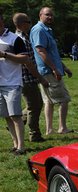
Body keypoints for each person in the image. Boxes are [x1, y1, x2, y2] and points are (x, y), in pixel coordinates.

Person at [30, 7, 73, 135]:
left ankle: (49, 129)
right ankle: (62, 127)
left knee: (48, 101)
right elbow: (41, 51)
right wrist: (55, 69)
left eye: (51, 15)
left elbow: (52, 53)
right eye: (47, 15)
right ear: (40, 15)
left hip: (48, 70)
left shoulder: (46, 30)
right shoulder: (39, 30)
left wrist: (64, 67)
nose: (50, 17)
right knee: (64, 99)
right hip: (48, 71)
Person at [13, 13, 49, 143]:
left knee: (33, 104)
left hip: (25, 78)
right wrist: (40, 78)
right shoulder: (21, 39)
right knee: (35, 106)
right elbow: (27, 63)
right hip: (26, 78)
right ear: (22, 24)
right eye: (28, 21)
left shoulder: (22, 37)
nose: (30, 24)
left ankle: (18, 122)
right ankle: (34, 134)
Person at [0, 13, 30, 154]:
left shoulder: (14, 39)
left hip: (12, 82)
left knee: (15, 115)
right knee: (7, 116)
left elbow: (24, 58)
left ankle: (21, 147)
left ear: (2, 22)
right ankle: (15, 144)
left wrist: (5, 55)